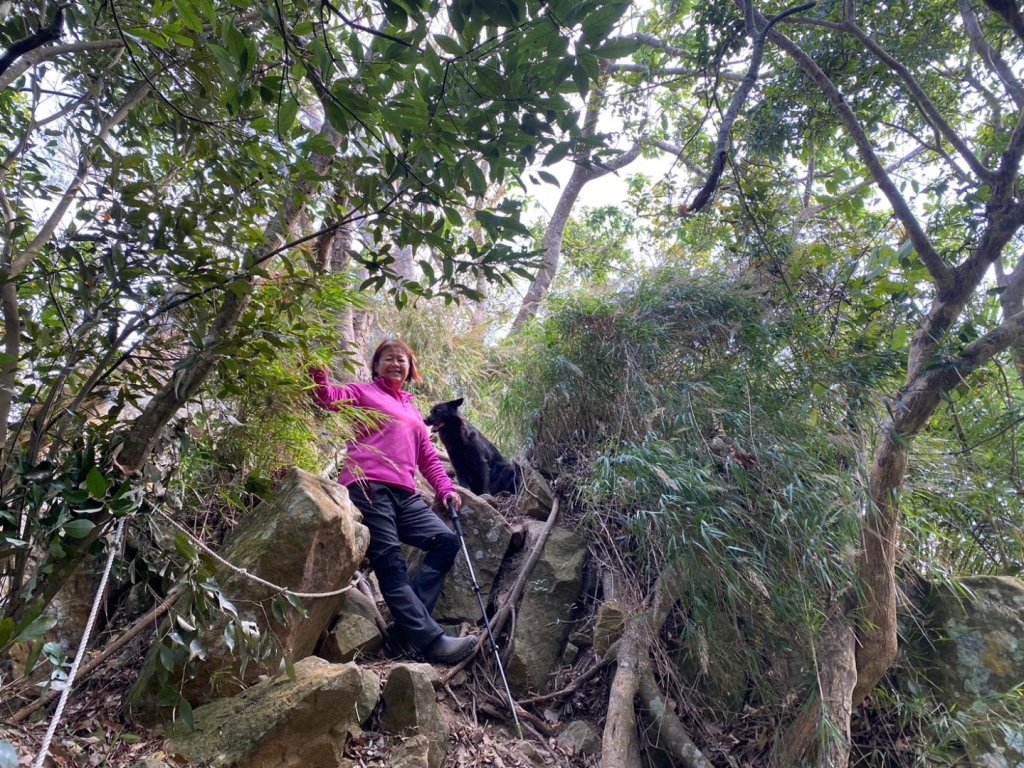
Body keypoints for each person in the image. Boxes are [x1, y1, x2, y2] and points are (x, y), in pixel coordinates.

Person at [309, 339, 477, 664]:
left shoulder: (413, 410)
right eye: (388, 359)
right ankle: (431, 641)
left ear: (410, 368)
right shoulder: (362, 392)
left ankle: (406, 631)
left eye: (402, 359)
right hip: (368, 485)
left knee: (445, 541)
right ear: (376, 366)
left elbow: (427, 458)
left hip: (405, 494)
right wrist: (319, 369)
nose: (395, 364)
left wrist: (445, 489)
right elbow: (326, 398)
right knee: (390, 562)